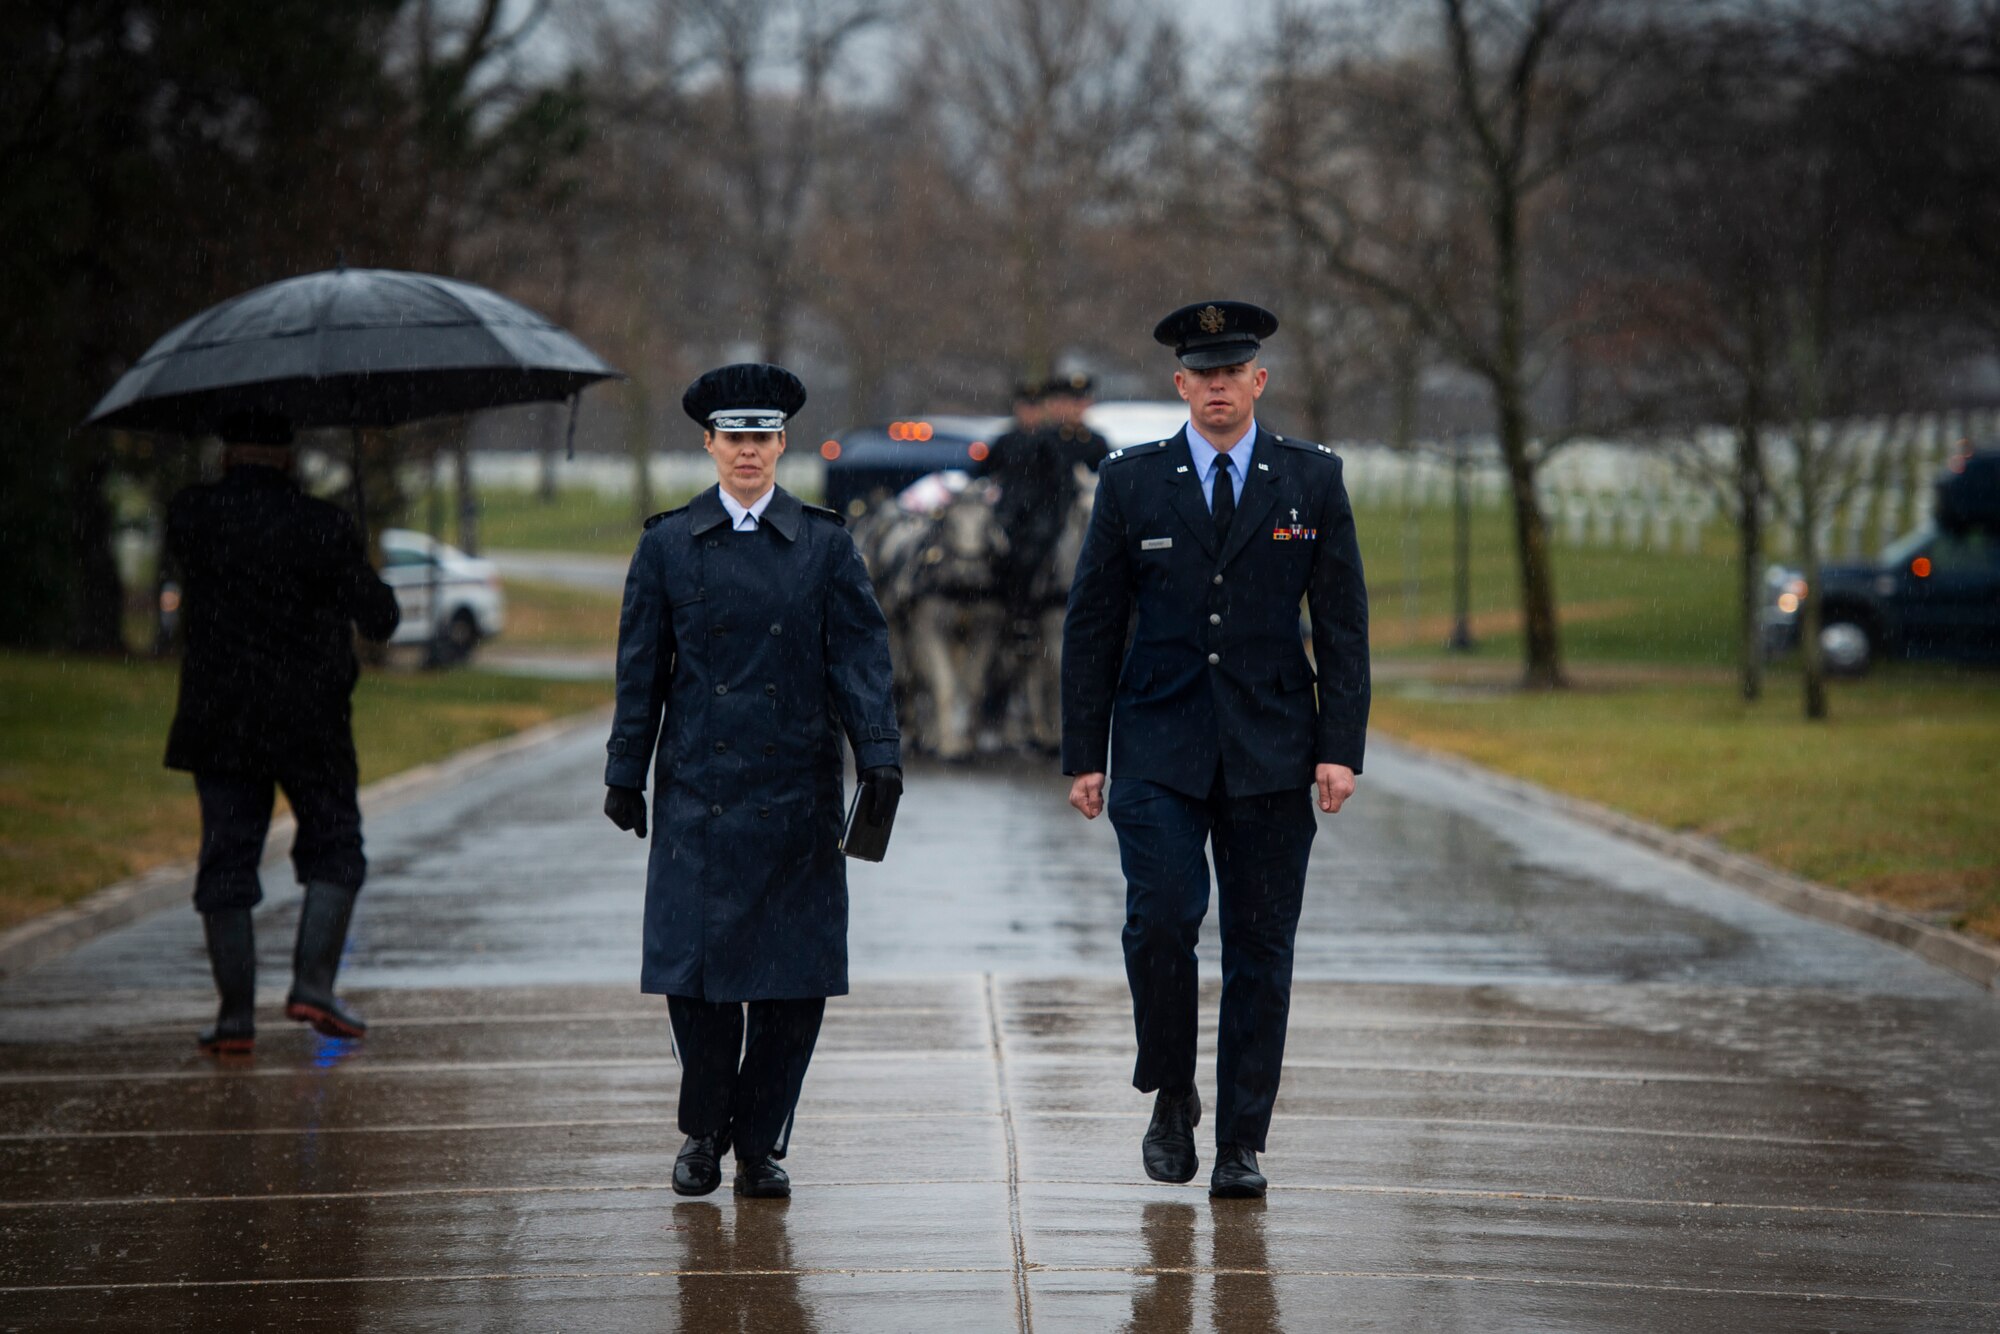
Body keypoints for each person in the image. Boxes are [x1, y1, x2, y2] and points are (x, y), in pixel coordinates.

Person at [1060, 301, 1370, 1199]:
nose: (1220, 388)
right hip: (1157, 742)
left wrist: (1339, 746)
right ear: (1180, 385)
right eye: (1204, 374)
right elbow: (1092, 625)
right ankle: (1171, 1090)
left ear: (1259, 382)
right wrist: (1087, 752)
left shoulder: (1311, 480)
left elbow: (1343, 626)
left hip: (1274, 747)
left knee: (1260, 952)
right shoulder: (1132, 482)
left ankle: (1241, 1141)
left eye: (1235, 372)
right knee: (1160, 922)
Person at [602, 363, 902, 1200]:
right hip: (701, 789)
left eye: (762, 437)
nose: (748, 452)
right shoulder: (667, 544)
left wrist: (880, 757)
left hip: (797, 793)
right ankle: (704, 1130)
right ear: (709, 444)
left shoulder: (825, 544)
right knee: (695, 986)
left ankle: (760, 1143)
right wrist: (625, 770)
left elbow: (862, 661)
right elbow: (642, 671)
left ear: (782, 444)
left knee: (793, 988)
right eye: (734, 438)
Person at [163, 410, 401, 1055]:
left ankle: (235, 1017)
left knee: (227, 858)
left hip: (220, 720)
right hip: (311, 721)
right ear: (289, 457)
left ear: (226, 454)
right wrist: (355, 550)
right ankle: (312, 986)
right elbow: (380, 619)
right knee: (334, 847)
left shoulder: (192, 517)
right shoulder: (321, 526)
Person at [1040, 370, 1111, 476]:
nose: (1078, 408)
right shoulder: (1044, 439)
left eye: (1082, 401)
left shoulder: (1096, 441)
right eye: (1074, 402)